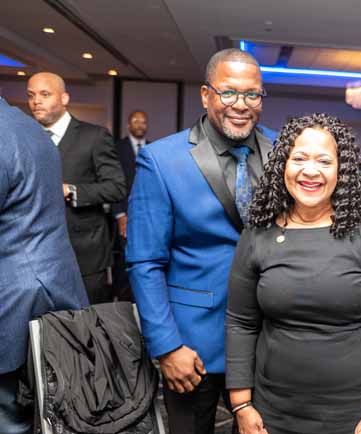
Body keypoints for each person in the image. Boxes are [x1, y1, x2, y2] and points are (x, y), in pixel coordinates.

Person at [226, 113, 361, 434]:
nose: (310, 171)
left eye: (324, 161)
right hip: (272, 409)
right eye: (299, 158)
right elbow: (240, 322)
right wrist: (241, 404)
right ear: (283, 164)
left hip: (352, 411)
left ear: (342, 170)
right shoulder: (258, 233)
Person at [127, 48, 273, 434]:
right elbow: (145, 262)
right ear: (206, 95)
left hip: (269, 339)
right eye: (228, 93)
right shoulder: (161, 160)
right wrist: (167, 346)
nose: (240, 105)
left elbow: (324, 175)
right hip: (193, 344)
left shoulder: (284, 150)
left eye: (252, 94)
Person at [0, 53, 89, 434]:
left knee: (2, 418)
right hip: (50, 288)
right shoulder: (25, 126)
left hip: (7, 302)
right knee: (53, 413)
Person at [27, 72, 127, 304]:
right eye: (31, 95)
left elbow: (116, 187)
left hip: (85, 253)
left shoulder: (94, 137)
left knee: (87, 326)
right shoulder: (27, 137)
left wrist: (71, 191)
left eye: (45, 94)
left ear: (64, 98)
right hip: (35, 252)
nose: (36, 101)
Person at [111, 110, 149, 301]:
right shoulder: (117, 148)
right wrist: (119, 214)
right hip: (124, 213)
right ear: (129, 125)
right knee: (122, 259)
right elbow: (113, 183)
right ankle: (120, 298)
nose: (140, 125)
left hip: (146, 216)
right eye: (136, 121)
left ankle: (138, 298)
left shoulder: (153, 148)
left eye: (143, 122)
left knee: (143, 258)